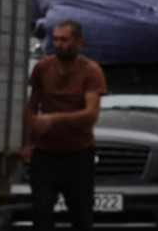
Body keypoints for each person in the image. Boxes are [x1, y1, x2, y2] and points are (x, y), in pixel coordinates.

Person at [24, 20, 106, 231]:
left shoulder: (90, 71)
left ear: (79, 42)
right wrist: (26, 142)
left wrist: (53, 120)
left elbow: (91, 114)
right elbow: (31, 106)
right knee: (41, 214)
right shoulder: (43, 68)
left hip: (78, 155)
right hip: (46, 155)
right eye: (56, 39)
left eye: (64, 39)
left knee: (80, 216)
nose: (58, 44)